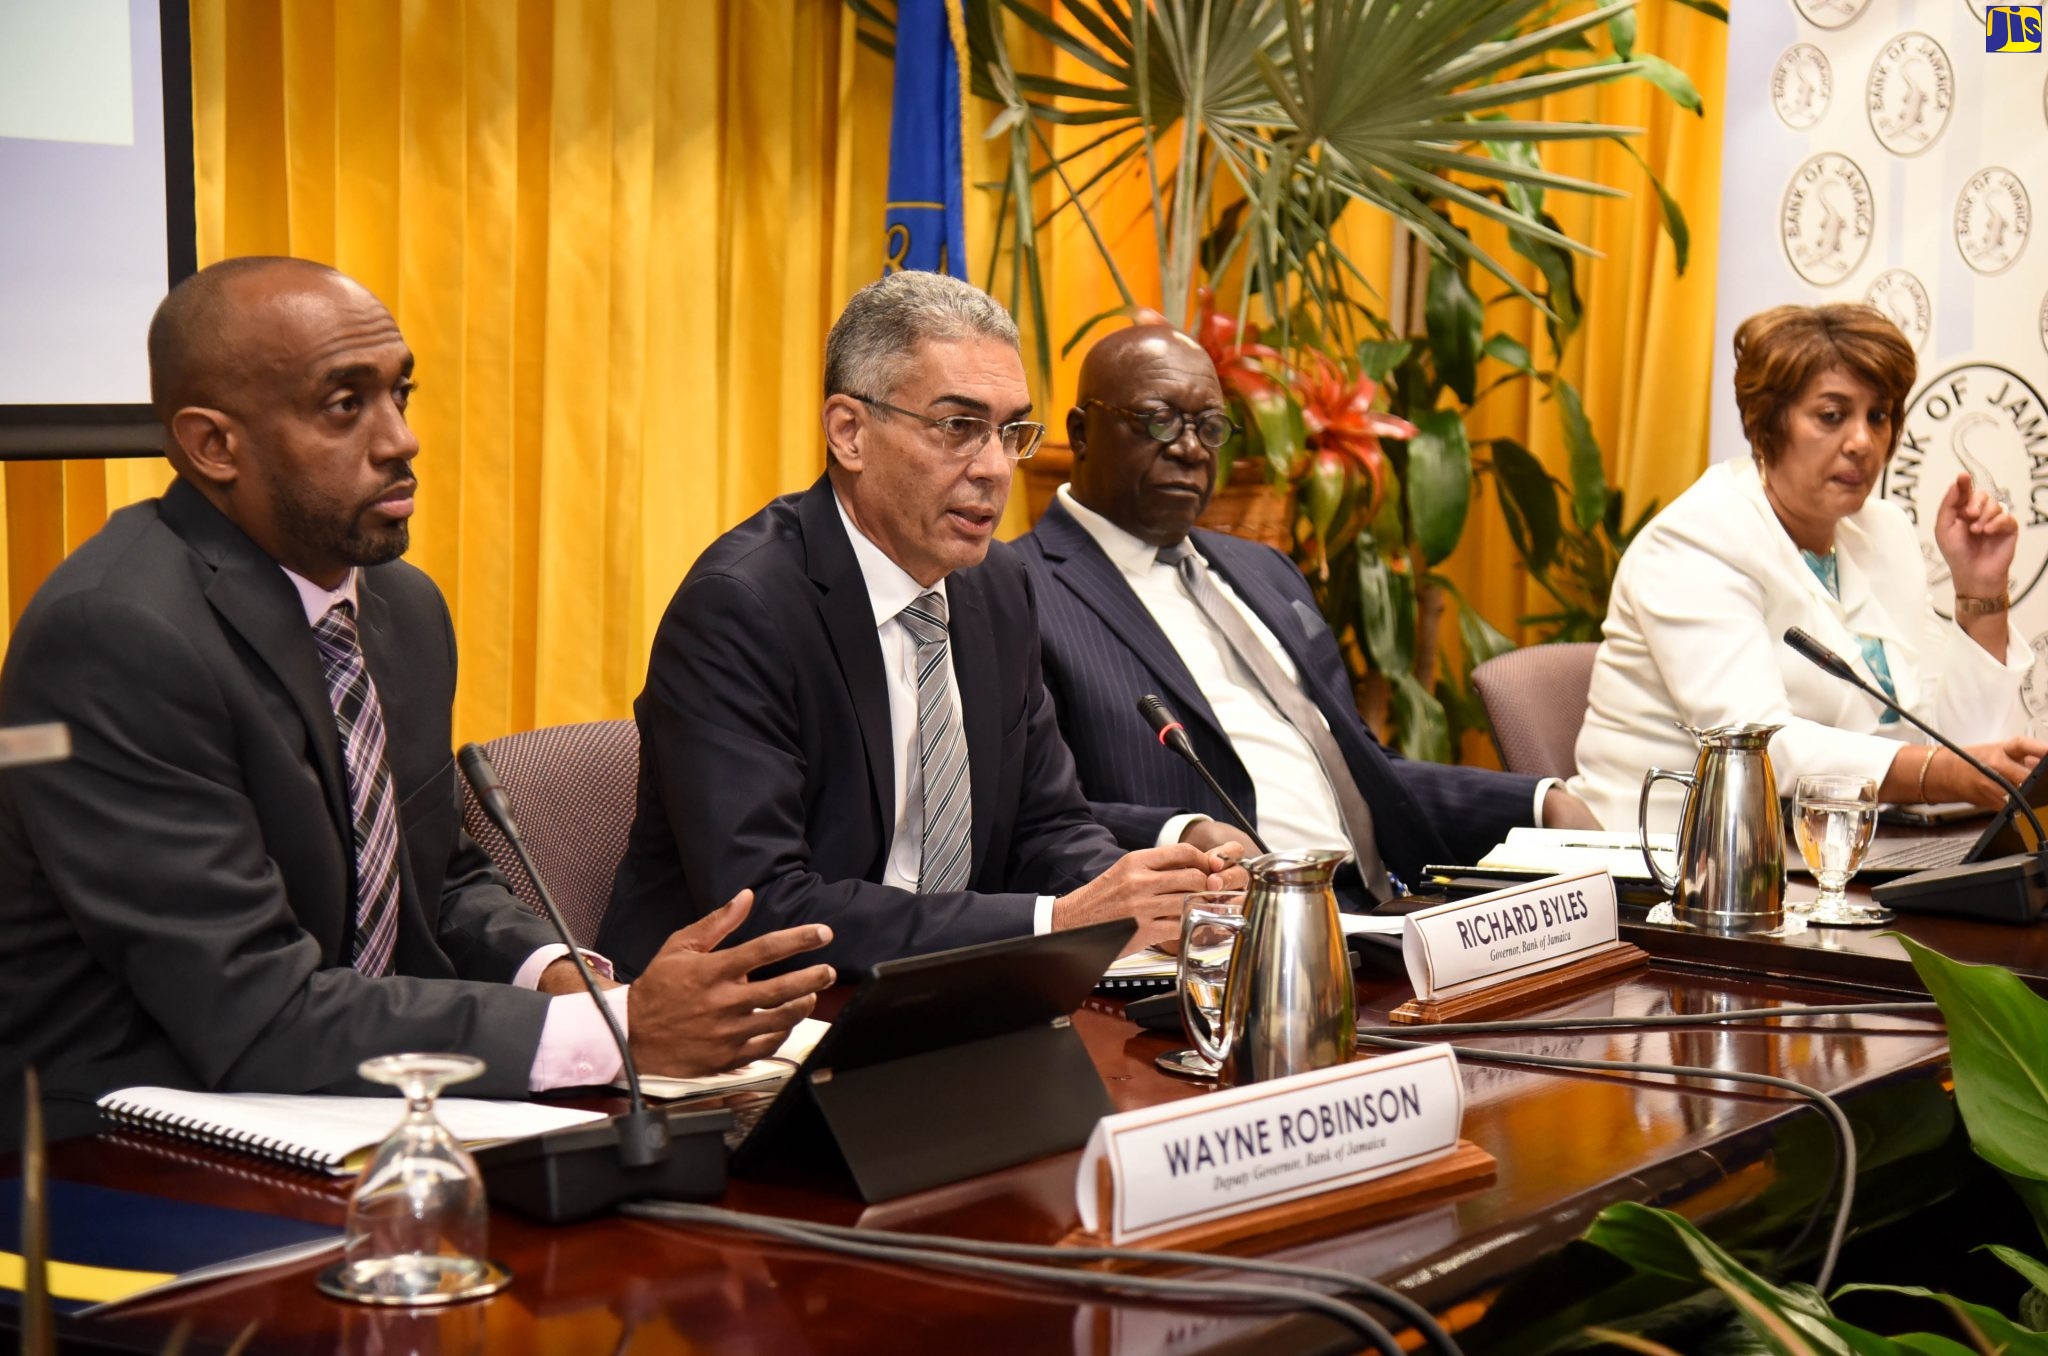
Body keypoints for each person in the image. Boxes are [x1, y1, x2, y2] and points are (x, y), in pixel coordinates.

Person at [0, 257, 834, 1143]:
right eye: (344, 405)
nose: (401, 439)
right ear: (214, 446)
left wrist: (564, 979)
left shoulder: (401, 607)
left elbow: (433, 880)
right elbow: (249, 1007)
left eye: (400, 393)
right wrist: (611, 1035)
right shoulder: (117, 636)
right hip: (121, 1143)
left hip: (348, 1097)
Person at [602, 273, 1243, 977]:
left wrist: (1150, 903)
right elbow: (767, 908)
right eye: (958, 428)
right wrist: (1055, 923)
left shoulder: (997, 588)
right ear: (849, 433)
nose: (994, 468)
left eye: (1011, 432)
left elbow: (1046, 826)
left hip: (950, 995)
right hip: (746, 1013)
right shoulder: (741, 608)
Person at [1016, 325, 1596, 911]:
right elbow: (1032, 817)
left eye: (1209, 427)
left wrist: (1540, 802)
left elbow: (1362, 770)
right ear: (1082, 433)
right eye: (1159, 421)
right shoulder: (1018, 591)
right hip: (1233, 924)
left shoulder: (1266, 570)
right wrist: (1181, 832)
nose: (1190, 449)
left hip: (1383, 912)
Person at [1569, 302, 2044, 831]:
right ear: (1768, 424)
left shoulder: (1883, 532)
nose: (1862, 442)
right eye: (1832, 416)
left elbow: (1966, 759)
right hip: (1668, 856)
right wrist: (1943, 772)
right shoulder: (1693, 542)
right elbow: (1760, 748)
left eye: (1878, 416)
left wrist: (1981, 594)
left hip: (1841, 849)